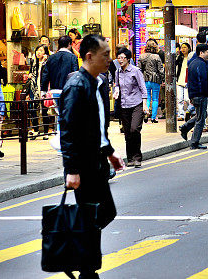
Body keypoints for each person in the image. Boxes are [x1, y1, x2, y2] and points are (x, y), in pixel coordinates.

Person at [59, 34, 125, 279]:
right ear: (89, 56)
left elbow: (96, 126)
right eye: (105, 54)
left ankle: (78, 257)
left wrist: (109, 152)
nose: (110, 59)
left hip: (96, 159)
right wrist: (71, 169)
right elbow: (67, 129)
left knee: (103, 213)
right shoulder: (77, 85)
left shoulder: (96, 82)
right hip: (83, 165)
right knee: (93, 215)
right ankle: (86, 268)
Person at [113, 48, 146, 167]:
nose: (120, 60)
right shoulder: (117, 72)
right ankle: (130, 157)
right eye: (118, 57)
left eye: (122, 58)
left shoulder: (136, 71)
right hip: (124, 105)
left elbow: (143, 88)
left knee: (134, 129)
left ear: (128, 59)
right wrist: (115, 92)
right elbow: (117, 86)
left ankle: (137, 157)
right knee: (127, 133)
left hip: (136, 104)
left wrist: (145, 104)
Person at [180, 43, 208, 150]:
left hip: (195, 94)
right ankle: (194, 142)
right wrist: (207, 93)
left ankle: (185, 127)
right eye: (207, 52)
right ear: (201, 53)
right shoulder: (201, 64)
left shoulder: (193, 63)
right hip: (200, 94)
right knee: (201, 119)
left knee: (201, 115)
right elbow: (202, 80)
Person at [41, 35, 80, 108]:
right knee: (65, 114)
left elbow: (45, 75)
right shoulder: (72, 58)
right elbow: (75, 75)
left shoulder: (51, 57)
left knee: (58, 114)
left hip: (53, 92)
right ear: (69, 44)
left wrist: (43, 91)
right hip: (68, 92)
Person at [26, 43, 51, 138]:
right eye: (37, 50)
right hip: (34, 88)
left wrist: (44, 62)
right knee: (33, 108)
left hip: (43, 88)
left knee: (44, 110)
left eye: (41, 50)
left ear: (45, 52)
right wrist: (29, 75)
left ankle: (46, 131)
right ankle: (35, 129)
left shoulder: (47, 62)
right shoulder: (33, 62)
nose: (38, 52)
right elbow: (31, 72)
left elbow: (47, 74)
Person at [139, 43, 164, 123]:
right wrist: (163, 78)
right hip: (155, 79)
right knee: (155, 99)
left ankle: (146, 112)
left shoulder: (141, 56)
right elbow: (161, 69)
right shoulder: (156, 57)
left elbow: (139, 69)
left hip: (145, 79)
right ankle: (153, 117)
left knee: (147, 97)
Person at [175, 42, 191, 120]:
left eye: (185, 47)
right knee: (180, 99)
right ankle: (181, 115)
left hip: (188, 80)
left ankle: (188, 112)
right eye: (182, 47)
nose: (183, 49)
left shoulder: (191, 57)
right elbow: (174, 64)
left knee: (187, 99)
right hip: (180, 80)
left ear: (188, 48)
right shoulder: (179, 58)